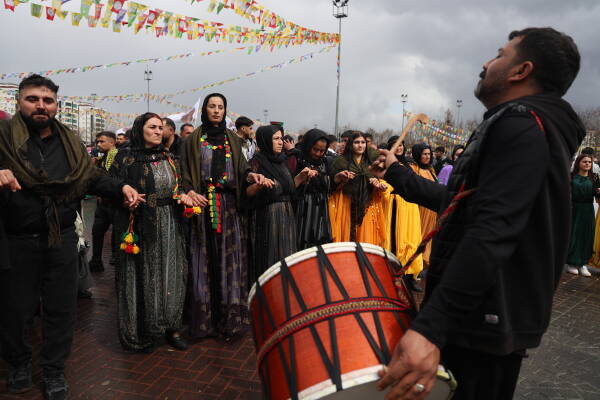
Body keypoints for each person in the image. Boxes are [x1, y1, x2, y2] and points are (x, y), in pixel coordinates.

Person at [374, 27, 584, 400]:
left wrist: (430, 328)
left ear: (521, 71)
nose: (486, 64)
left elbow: (493, 229)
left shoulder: (522, 124)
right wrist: (396, 172)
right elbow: (462, 205)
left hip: (481, 320)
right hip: (483, 315)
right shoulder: (526, 124)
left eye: (500, 55)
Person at [0, 74, 143, 400]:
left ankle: (53, 370)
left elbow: (91, 177)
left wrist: (121, 186)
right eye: (33, 99)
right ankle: (19, 363)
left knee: (61, 309)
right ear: (19, 102)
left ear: (56, 105)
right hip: (18, 240)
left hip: (61, 238)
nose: (40, 105)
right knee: (15, 310)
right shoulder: (3, 137)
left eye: (47, 100)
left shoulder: (70, 142)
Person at [181, 93, 271, 339]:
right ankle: (204, 322)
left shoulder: (232, 139)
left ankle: (229, 320)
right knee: (202, 260)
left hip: (230, 208)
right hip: (202, 206)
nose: (216, 111)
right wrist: (190, 190)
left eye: (220, 107)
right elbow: (184, 172)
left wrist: (251, 176)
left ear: (225, 111)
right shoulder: (193, 140)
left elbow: (242, 171)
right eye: (212, 106)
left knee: (230, 261)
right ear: (205, 110)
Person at [110, 113, 192, 353]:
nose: (158, 131)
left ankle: (171, 328)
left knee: (171, 275)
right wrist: (124, 199)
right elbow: (110, 188)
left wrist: (184, 195)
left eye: (160, 128)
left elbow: (180, 186)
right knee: (140, 276)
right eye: (152, 127)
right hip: (138, 225)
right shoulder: (125, 158)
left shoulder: (170, 157)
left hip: (171, 225)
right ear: (140, 129)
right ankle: (141, 332)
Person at [247, 125, 313, 280]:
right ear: (265, 140)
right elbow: (247, 192)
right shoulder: (256, 162)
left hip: (287, 216)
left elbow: (288, 189)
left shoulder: (282, 161)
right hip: (267, 217)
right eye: (276, 138)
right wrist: (259, 185)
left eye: (281, 138)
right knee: (269, 258)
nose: (280, 142)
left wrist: (301, 177)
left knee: (286, 255)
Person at [328, 131, 387, 246]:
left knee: (365, 241)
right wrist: (340, 177)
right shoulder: (341, 161)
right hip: (345, 205)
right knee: (346, 242)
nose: (360, 145)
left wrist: (378, 185)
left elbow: (377, 179)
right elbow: (331, 183)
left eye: (363, 142)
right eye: (356, 142)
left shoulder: (371, 163)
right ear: (351, 144)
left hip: (366, 206)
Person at [382, 136, 424, 293]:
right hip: (393, 206)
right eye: (396, 145)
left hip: (409, 206)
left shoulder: (409, 165)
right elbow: (382, 181)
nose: (399, 148)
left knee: (410, 238)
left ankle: (410, 276)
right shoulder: (385, 163)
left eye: (401, 145)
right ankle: (392, 275)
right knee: (394, 238)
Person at [291, 128, 333, 250]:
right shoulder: (297, 160)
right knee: (302, 243)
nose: (318, 154)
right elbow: (289, 187)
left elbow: (330, 186)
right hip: (303, 209)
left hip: (321, 211)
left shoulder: (325, 163)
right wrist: (302, 178)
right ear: (308, 145)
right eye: (315, 149)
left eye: (322, 151)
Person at [565, 154, 600, 276]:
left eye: (589, 162)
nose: (587, 164)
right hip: (574, 209)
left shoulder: (594, 177)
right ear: (578, 163)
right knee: (574, 234)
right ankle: (571, 263)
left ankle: (582, 263)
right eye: (584, 161)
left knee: (586, 235)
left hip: (588, 209)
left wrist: (598, 192)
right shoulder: (571, 176)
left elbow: (597, 196)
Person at [89, 131, 119, 272]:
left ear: (112, 142)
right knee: (97, 231)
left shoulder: (119, 157)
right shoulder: (101, 159)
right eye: (97, 142)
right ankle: (96, 260)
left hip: (115, 203)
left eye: (102, 141)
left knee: (117, 233)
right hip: (102, 203)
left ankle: (116, 258)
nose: (98, 144)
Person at [410, 143, 438, 265]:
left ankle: (425, 260)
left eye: (429, 154)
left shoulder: (431, 170)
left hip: (431, 210)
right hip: (420, 208)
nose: (427, 157)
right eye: (424, 154)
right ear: (418, 155)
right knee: (418, 233)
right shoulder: (414, 168)